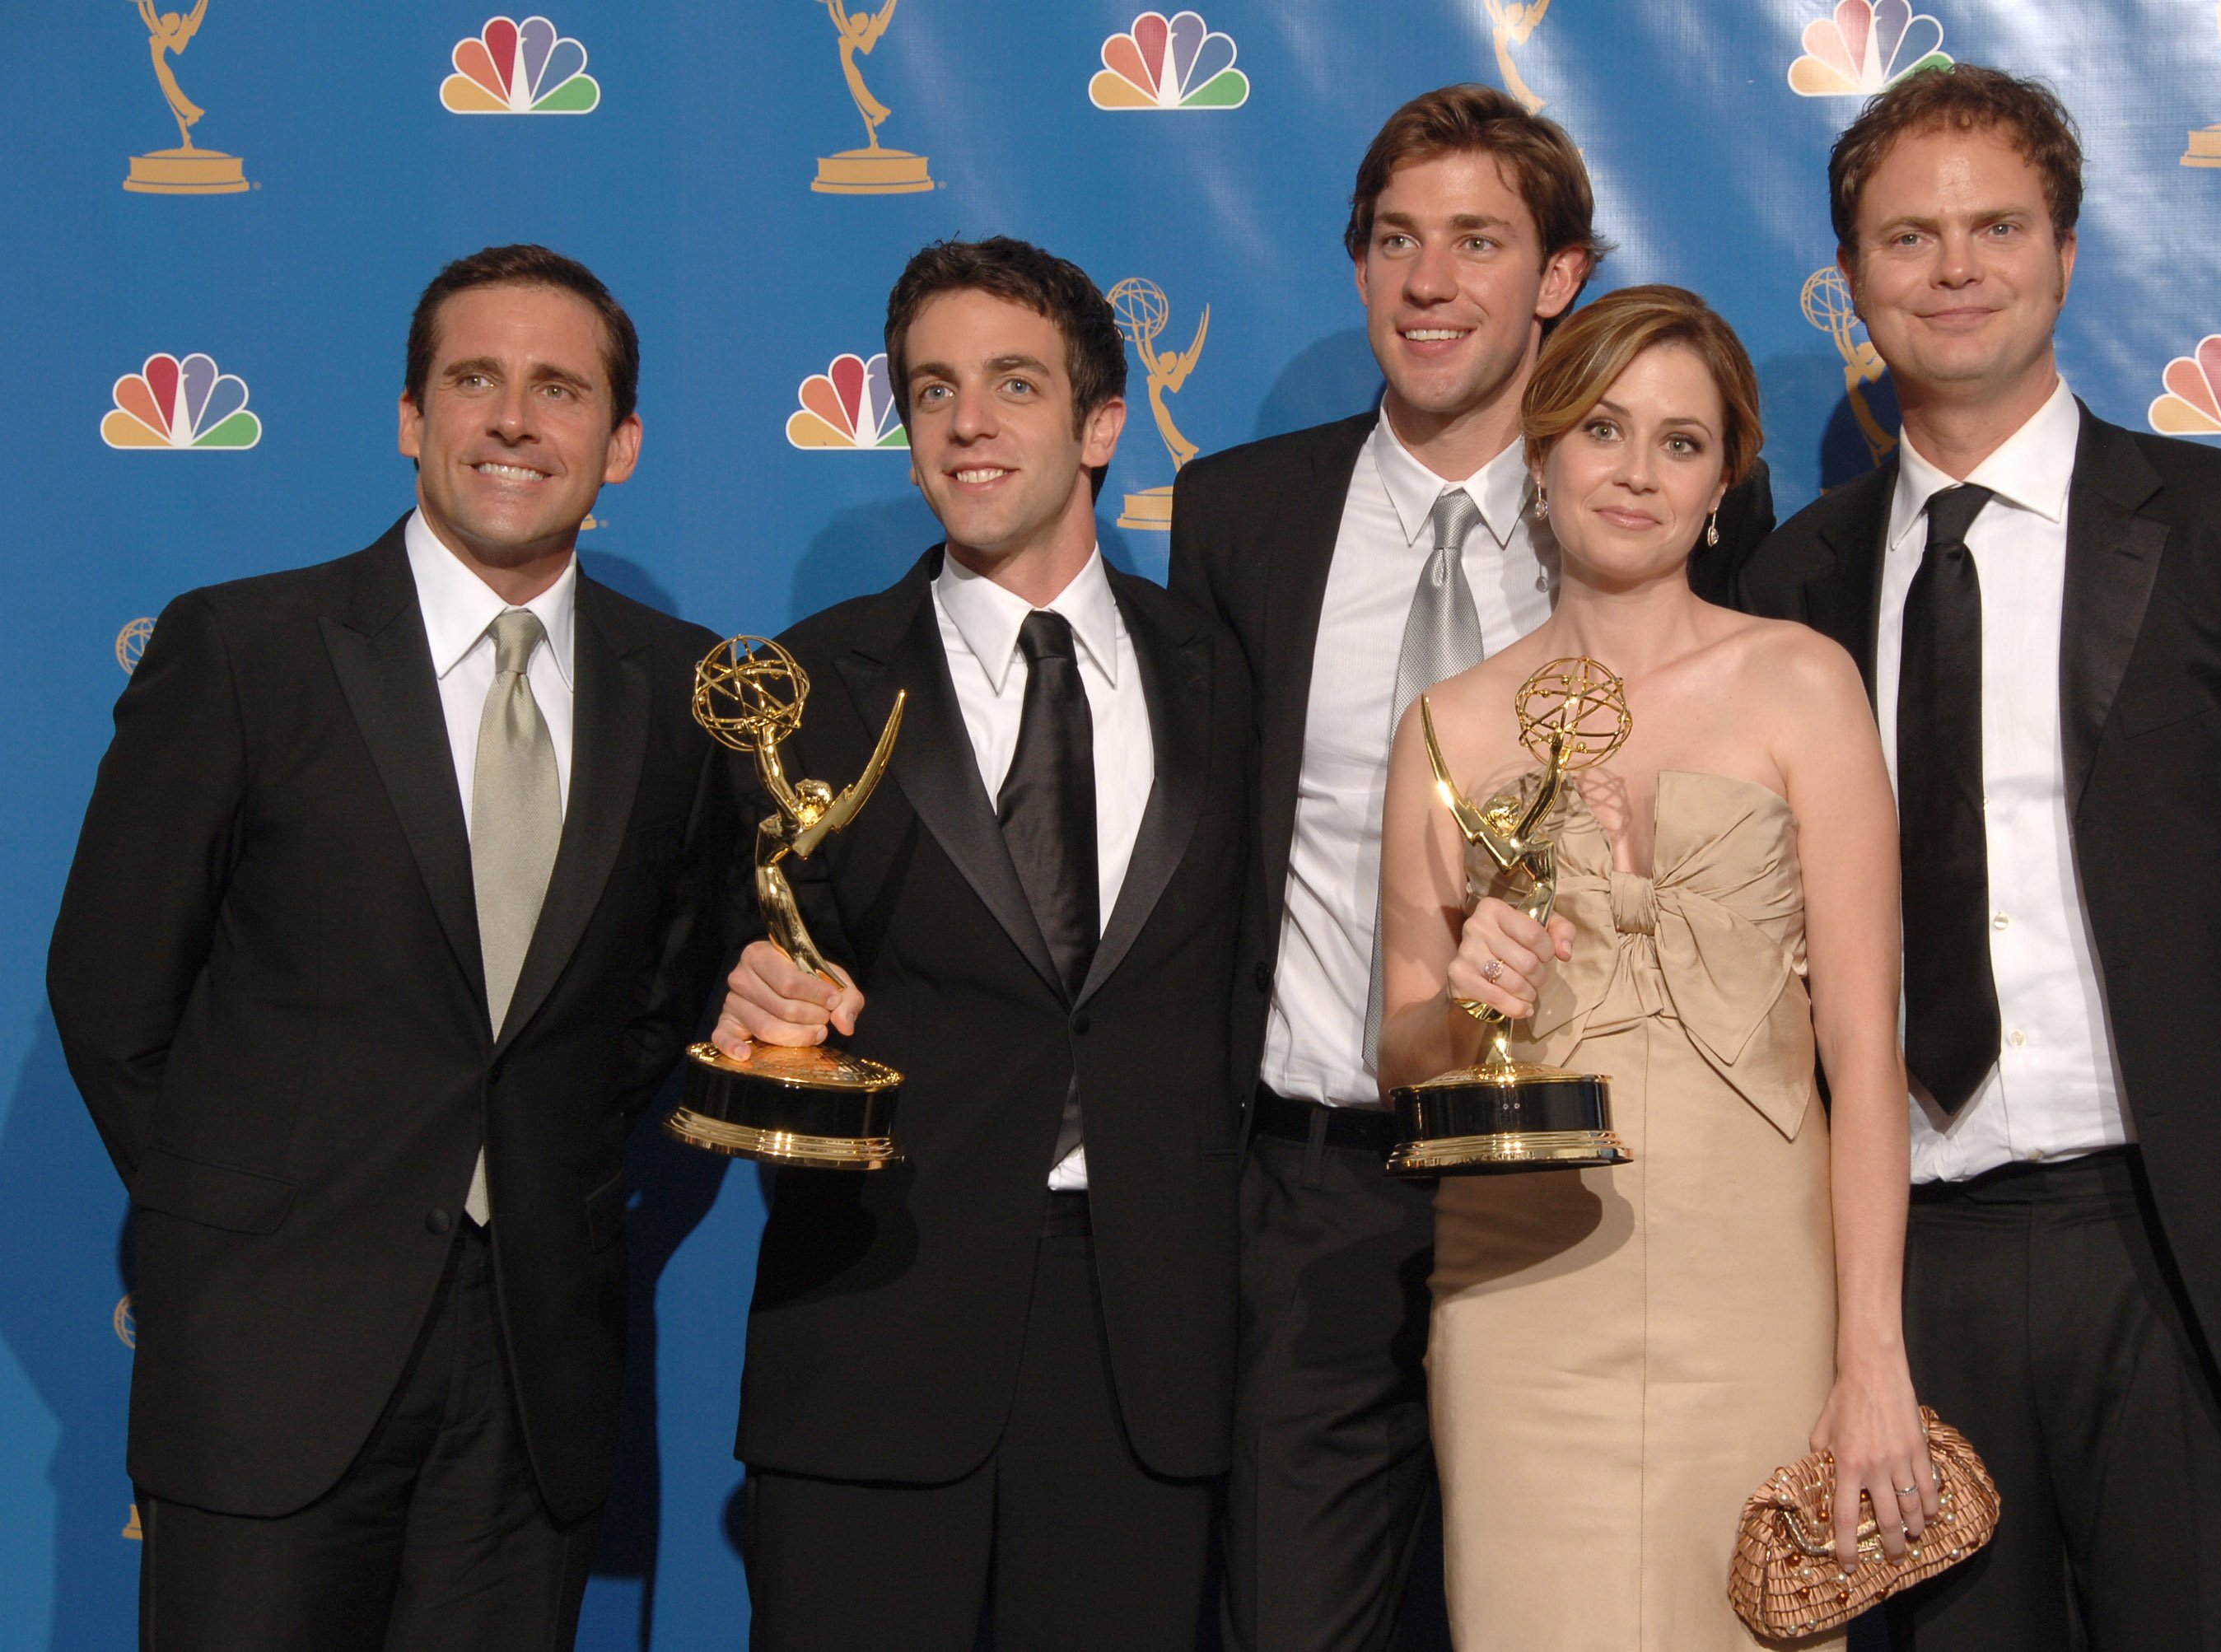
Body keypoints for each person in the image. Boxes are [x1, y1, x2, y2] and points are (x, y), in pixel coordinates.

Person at [1718, 65, 2221, 1650]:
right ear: (1854, 278)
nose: (1955, 266)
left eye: (1996, 225)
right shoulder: (1790, 581)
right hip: (1911, 1266)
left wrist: (2212, 1091)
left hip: (2182, 1255)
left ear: (2068, 249)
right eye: (1909, 235)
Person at [49, 244, 730, 1650]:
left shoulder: (681, 691)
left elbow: (658, 1002)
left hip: (533, 1379)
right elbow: (112, 991)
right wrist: (248, 1222)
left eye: (560, 388)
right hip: (266, 1364)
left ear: (623, 442)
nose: (513, 419)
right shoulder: (246, 649)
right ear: (412, 418)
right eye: (473, 379)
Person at [1172, 83, 1775, 1652]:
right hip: (1317, 1178)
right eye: (1395, 240)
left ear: (1558, 275)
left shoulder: (1636, 516)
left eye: (1478, 242)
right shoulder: (1242, 517)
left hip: (1582, 1179)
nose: (1429, 282)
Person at [712, 236, 1253, 1650]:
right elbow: (715, 973)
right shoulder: (804, 687)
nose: (968, 422)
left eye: (1014, 383)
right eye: (932, 389)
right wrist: (747, 1001)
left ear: (1099, 424)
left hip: (1149, 1345)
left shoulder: (1225, 673)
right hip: (876, 1319)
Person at [1379, 284, 1925, 1648]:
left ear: (1727, 478)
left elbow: (1865, 1054)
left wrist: (1873, 1355)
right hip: (1520, 1293)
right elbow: (1397, 1052)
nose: (1636, 472)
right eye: (1604, 430)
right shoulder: (1445, 723)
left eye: (1682, 443)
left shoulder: (1806, 684)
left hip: (1761, 1287)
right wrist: (1465, 1001)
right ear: (1541, 453)